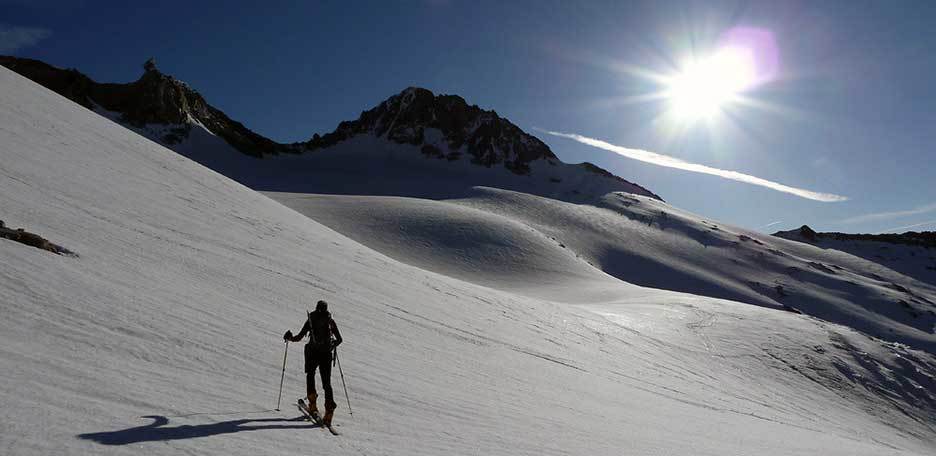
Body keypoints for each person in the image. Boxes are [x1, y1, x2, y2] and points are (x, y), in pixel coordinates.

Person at [284, 300, 343, 426]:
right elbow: (339, 339)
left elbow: (299, 337)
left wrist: (289, 337)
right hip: (326, 354)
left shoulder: (311, 319)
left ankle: (312, 404)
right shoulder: (329, 320)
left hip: (312, 352)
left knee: (310, 375)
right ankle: (329, 412)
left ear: (316, 308)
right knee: (327, 383)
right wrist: (331, 345)